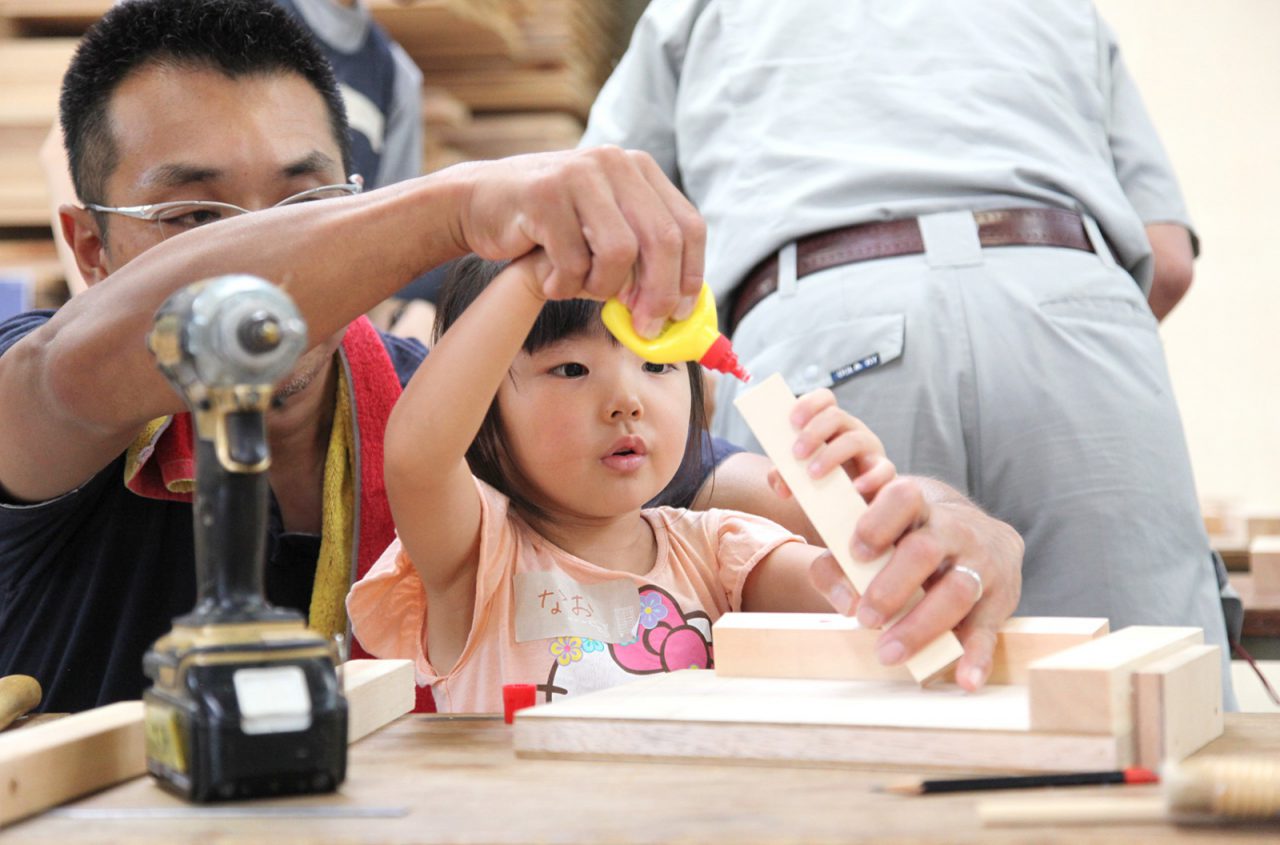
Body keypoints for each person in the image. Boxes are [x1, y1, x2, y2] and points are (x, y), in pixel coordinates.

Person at [0, 0, 1018, 713]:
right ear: (88, 248)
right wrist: (464, 203)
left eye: (310, 205)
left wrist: (931, 529)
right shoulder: (42, 384)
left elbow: (727, 481)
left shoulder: (429, 394)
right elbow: (67, 373)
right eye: (192, 214)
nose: (274, 264)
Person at [580, 0, 1235, 702]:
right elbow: (1168, 261)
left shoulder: (698, 9)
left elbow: (597, 209)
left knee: (852, 720)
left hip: (823, 314)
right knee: (1156, 709)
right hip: (1071, 305)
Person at [346, 254, 900, 710]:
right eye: (571, 370)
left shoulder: (719, 552)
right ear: (483, 417)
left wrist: (863, 520)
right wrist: (537, 269)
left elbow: (876, 605)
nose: (626, 402)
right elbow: (418, 456)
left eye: (656, 366)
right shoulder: (478, 559)